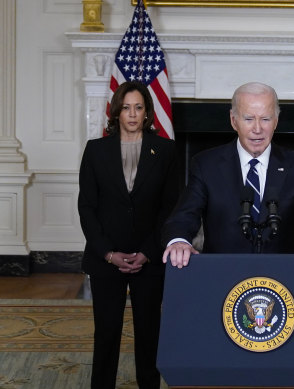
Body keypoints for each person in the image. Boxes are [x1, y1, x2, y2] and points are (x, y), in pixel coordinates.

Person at [161, 81, 294, 269]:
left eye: (265, 119)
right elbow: (183, 217)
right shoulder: (206, 165)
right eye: (248, 119)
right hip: (222, 276)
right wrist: (179, 242)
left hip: (280, 280)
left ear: (276, 121)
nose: (257, 129)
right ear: (233, 120)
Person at [78, 81, 179, 389]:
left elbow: (170, 208)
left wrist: (148, 251)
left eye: (138, 107)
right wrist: (108, 253)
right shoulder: (96, 150)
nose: (132, 114)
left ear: (147, 111)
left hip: (149, 260)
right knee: (106, 333)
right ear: (117, 111)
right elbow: (87, 208)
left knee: (149, 333)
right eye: (126, 107)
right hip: (106, 259)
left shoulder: (165, 150)